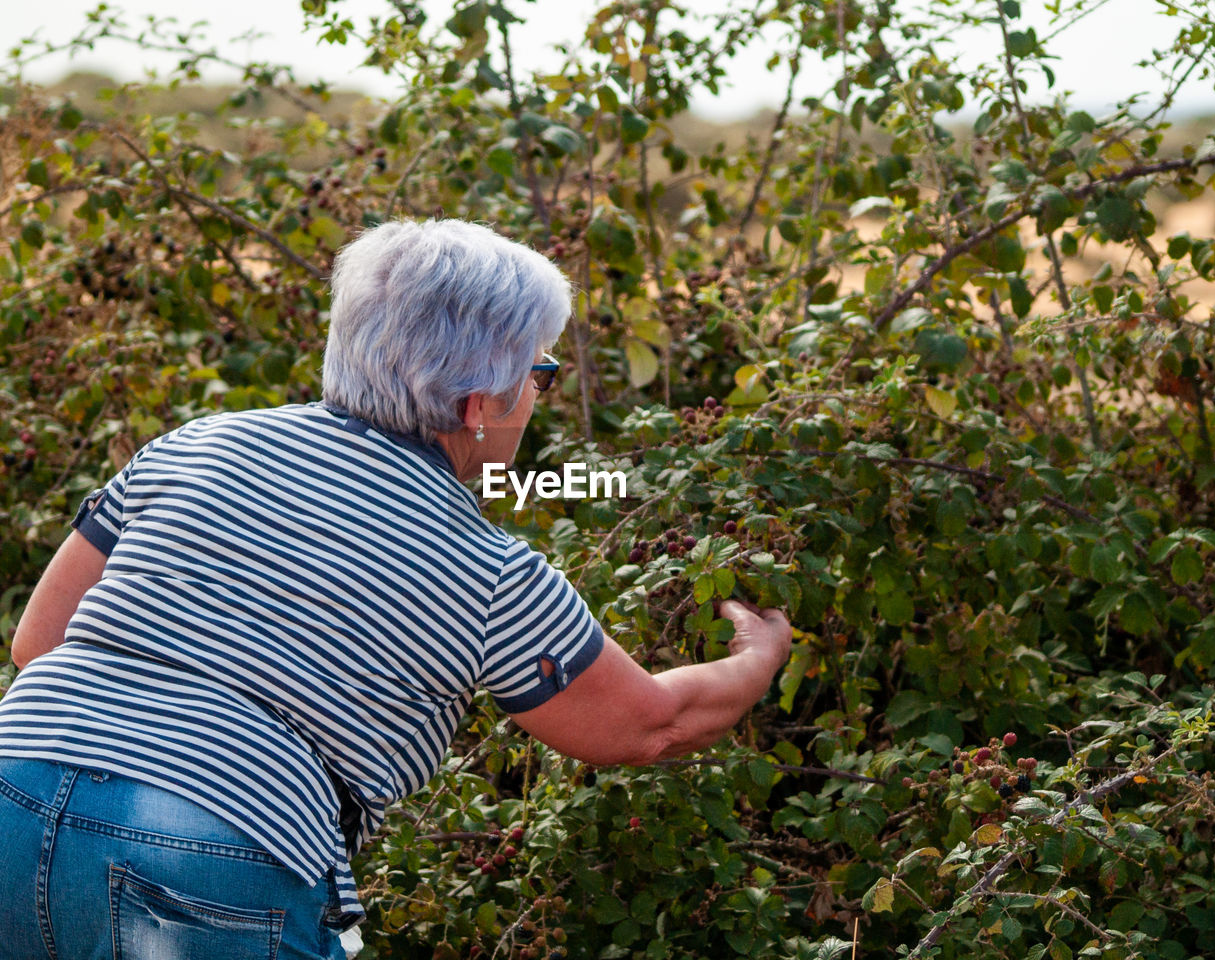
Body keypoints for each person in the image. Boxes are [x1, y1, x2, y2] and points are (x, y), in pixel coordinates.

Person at [0, 219, 793, 959]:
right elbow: (652, 726)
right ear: (481, 406)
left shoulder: (199, 445)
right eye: (540, 375)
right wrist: (757, 658)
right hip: (207, 852)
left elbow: (38, 642)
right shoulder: (487, 570)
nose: (540, 399)